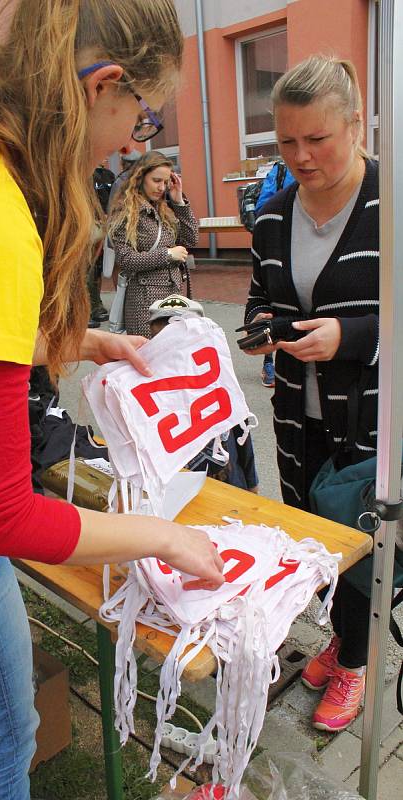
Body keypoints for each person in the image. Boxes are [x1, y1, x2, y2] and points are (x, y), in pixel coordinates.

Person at [0, 3, 225, 798]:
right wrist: (159, 537)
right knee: (2, 732)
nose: (137, 140)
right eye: (143, 113)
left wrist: (74, 343)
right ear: (103, 88)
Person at [243, 55, 379, 733]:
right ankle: (338, 639)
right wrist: (262, 333)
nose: (299, 156)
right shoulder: (271, 217)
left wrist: (352, 336)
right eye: (285, 142)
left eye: (316, 139)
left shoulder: (392, 206)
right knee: (314, 542)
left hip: (376, 427)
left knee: (364, 547)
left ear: (354, 124)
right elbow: (258, 305)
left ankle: (355, 663)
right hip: (297, 420)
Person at [149, 295, 259, 493]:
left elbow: (242, 434)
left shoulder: (219, 382)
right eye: (164, 341)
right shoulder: (149, 394)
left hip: (231, 488)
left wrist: (252, 484)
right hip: (177, 492)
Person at [109, 149, 198, 337]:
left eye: (166, 182)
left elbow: (191, 239)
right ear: (141, 177)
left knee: (171, 357)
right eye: (156, 181)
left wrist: (179, 201)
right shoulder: (125, 210)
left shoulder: (164, 208)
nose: (162, 187)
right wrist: (167, 255)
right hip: (144, 302)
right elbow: (125, 259)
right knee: (148, 358)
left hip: (173, 298)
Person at [254, 160, 296, 389]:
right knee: (273, 307)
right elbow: (262, 208)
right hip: (280, 248)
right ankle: (269, 363)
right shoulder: (280, 171)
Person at [87, 160, 116, 327]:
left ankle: (96, 305)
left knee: (98, 267)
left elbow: (113, 198)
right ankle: (87, 308)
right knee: (86, 268)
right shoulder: (85, 174)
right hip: (90, 223)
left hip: (106, 224)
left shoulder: (109, 176)